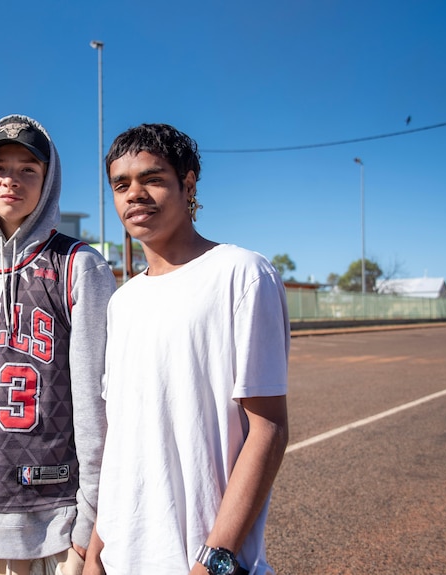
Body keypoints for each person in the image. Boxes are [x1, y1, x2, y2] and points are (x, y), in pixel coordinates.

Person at [85, 124, 290, 575]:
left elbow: (269, 430)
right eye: (121, 185)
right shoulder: (122, 303)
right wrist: (98, 550)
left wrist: (215, 560)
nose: (134, 194)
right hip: (120, 560)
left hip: (202, 565)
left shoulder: (242, 275)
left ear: (189, 183)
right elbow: (125, 440)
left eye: (152, 178)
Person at [0, 114, 117, 575]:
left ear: (48, 181)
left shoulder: (79, 266)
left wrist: (90, 522)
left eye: (28, 169)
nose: (12, 180)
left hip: (57, 518)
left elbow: (98, 406)